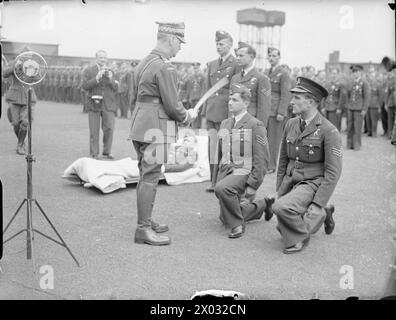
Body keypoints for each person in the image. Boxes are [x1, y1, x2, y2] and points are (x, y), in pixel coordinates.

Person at [129, 22, 197, 246]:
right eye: (179, 43)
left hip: (140, 125)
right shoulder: (165, 67)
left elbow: (134, 99)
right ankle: (143, 229)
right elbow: (172, 105)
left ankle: (146, 220)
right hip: (157, 128)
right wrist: (187, 116)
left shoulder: (143, 63)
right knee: (150, 177)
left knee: (144, 175)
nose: (180, 48)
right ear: (171, 40)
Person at [271, 77, 342, 254]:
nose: (291, 101)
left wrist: (318, 203)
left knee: (282, 209)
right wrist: (280, 189)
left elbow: (333, 172)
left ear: (310, 102)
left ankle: (304, 232)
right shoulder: (291, 124)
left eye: (297, 98)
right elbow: (283, 160)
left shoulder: (328, 130)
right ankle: (324, 213)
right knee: (282, 224)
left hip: (312, 182)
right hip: (291, 180)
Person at [214, 84, 272, 238]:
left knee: (223, 189)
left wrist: (253, 184)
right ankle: (263, 205)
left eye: (235, 100)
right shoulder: (225, 123)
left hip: (244, 171)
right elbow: (221, 154)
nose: (230, 103)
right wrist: (215, 178)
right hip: (227, 171)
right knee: (224, 218)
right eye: (229, 99)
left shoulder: (255, 125)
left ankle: (238, 224)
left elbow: (262, 159)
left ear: (246, 103)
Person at [204, 30, 240, 192]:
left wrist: (233, 114)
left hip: (226, 111)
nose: (218, 47)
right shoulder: (211, 64)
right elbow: (207, 90)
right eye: (217, 44)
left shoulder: (236, 64)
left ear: (230, 45)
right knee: (212, 147)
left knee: (225, 148)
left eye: (222, 44)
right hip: (211, 111)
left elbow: (236, 90)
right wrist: (204, 109)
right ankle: (212, 180)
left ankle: (222, 180)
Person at [82, 50, 118, 159]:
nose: (103, 59)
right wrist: (97, 78)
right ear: (96, 58)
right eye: (101, 57)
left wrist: (111, 78)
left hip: (108, 104)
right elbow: (85, 86)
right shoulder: (89, 70)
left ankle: (107, 151)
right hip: (94, 103)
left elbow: (116, 88)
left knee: (109, 128)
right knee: (94, 129)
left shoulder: (111, 71)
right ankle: (94, 152)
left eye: (104, 58)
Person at [3, 47, 38, 155]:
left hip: (28, 96)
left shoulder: (33, 65)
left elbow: (39, 78)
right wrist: (15, 64)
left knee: (25, 122)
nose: (26, 58)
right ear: (20, 55)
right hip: (14, 96)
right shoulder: (14, 63)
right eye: (24, 55)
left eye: (28, 56)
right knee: (15, 123)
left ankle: (20, 146)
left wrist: (33, 70)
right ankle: (21, 142)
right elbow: (4, 74)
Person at [230, 42, 271, 126]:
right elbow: (231, 102)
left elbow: (263, 107)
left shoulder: (261, 78)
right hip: (235, 122)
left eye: (241, 56)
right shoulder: (235, 78)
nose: (237, 58)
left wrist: (260, 127)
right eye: (237, 56)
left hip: (250, 122)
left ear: (251, 57)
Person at [265, 47, 291, 173]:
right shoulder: (266, 72)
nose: (271, 58)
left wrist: (281, 112)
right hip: (266, 110)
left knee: (274, 140)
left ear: (279, 58)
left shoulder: (284, 73)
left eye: (274, 56)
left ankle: (271, 166)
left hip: (276, 112)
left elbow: (286, 94)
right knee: (264, 138)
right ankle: (265, 163)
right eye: (270, 55)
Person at [346, 65, 370, 150]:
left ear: (360, 72)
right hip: (351, 107)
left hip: (359, 109)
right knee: (350, 127)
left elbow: (366, 97)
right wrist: (348, 105)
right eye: (354, 72)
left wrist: (364, 109)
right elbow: (348, 95)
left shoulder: (364, 83)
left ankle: (357, 145)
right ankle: (349, 144)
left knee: (357, 127)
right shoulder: (351, 82)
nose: (355, 74)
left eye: (357, 72)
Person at [321, 67, 345, 131]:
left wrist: (339, 108)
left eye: (335, 73)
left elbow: (341, 97)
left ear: (338, 74)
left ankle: (335, 141)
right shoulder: (327, 84)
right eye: (332, 73)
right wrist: (322, 107)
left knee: (334, 127)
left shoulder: (340, 84)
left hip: (335, 108)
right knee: (326, 128)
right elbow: (324, 96)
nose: (333, 75)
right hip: (327, 107)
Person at [366, 66, 385, 137]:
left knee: (374, 119)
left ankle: (374, 132)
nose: (371, 74)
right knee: (368, 119)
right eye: (370, 72)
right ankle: (370, 132)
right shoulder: (367, 82)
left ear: (375, 73)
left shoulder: (378, 83)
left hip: (375, 104)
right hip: (368, 103)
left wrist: (379, 105)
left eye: (372, 72)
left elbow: (381, 95)